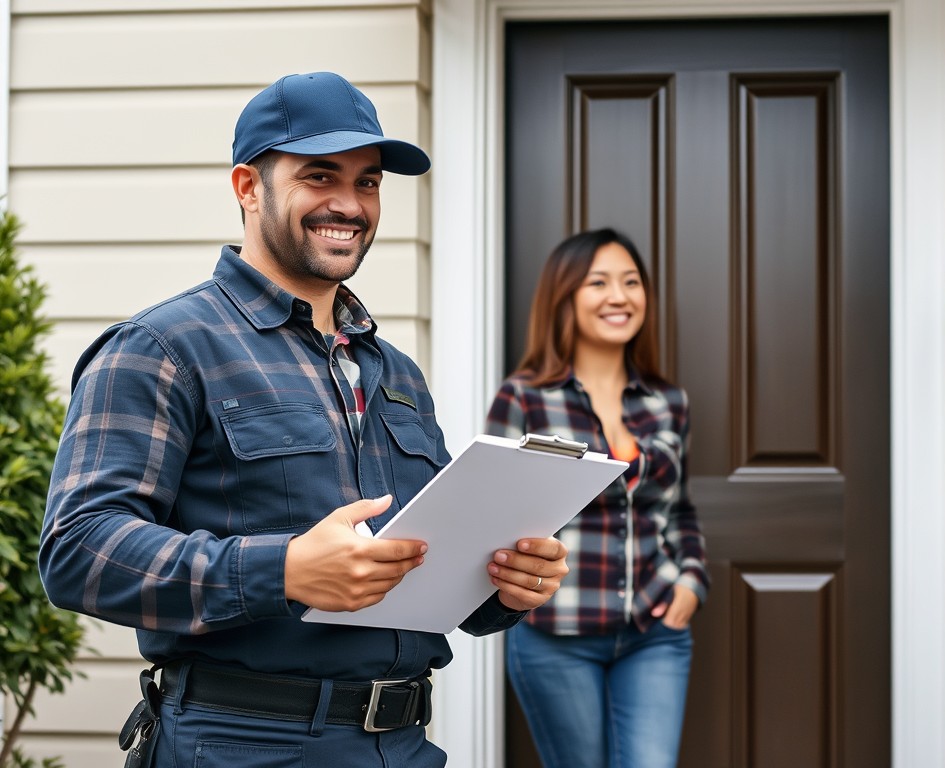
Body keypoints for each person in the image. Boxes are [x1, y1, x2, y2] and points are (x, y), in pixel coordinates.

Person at [38, 71, 568, 768]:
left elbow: (430, 566)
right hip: (242, 745)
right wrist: (281, 570)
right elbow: (78, 551)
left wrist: (504, 584)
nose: (349, 205)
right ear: (247, 188)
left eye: (369, 182)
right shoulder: (162, 348)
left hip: (404, 745)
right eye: (320, 177)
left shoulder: (397, 373)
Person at [485, 228, 709, 768]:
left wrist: (692, 581)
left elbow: (679, 506)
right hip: (556, 635)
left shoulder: (667, 402)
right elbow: (491, 511)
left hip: (654, 630)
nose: (620, 296)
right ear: (566, 297)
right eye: (599, 282)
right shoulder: (524, 397)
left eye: (631, 282)